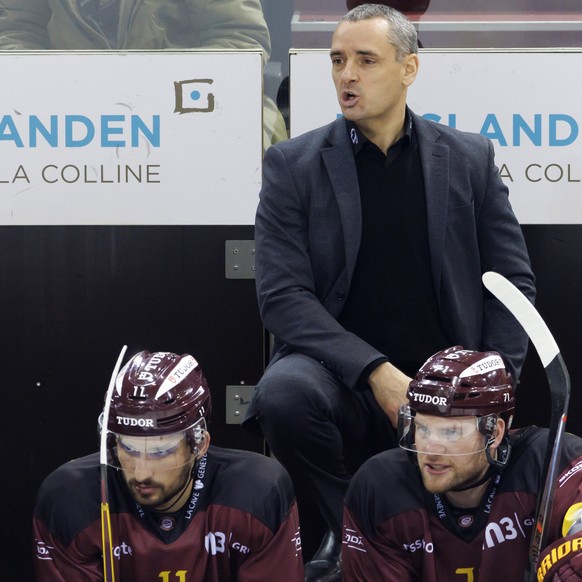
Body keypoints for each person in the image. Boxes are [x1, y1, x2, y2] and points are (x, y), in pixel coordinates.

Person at [241, 3, 535, 580]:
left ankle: (435, 531)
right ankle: (348, 528)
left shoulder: (469, 158)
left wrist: (493, 379)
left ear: (408, 68)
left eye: (365, 60)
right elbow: (281, 298)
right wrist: (375, 372)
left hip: (447, 375)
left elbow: (512, 282)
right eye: (337, 61)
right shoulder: (292, 166)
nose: (346, 75)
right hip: (341, 381)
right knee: (283, 395)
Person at [33, 350, 304, 581]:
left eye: (161, 452)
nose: (141, 472)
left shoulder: (257, 493)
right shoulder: (70, 500)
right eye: (128, 449)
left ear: (199, 444)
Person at [343, 346, 582, 581]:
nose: (430, 449)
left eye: (451, 433)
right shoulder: (380, 488)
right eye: (423, 428)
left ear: (495, 433)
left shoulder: (558, 463)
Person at [0, 0, 287, 148]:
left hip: (186, 103)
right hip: (67, 106)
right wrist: (59, 87)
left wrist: (149, 85)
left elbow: (241, 41)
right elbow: (14, 35)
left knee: (252, 137)